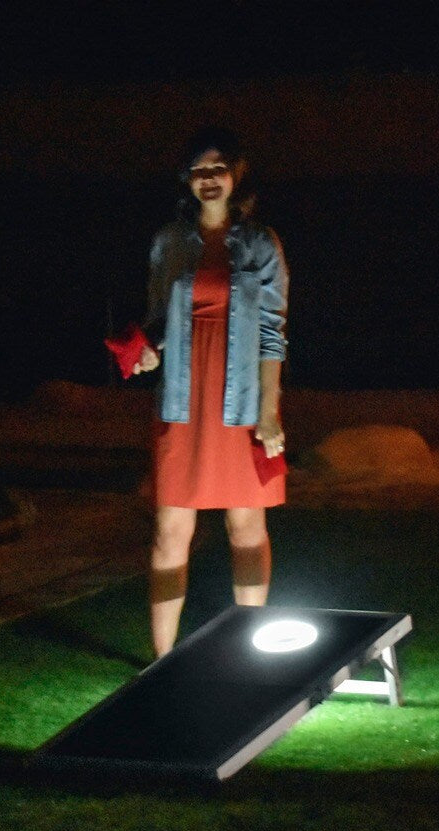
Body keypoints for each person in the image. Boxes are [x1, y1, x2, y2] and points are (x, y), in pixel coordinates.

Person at [132, 126, 288, 657]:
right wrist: (149, 349)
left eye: (218, 168)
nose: (209, 179)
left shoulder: (261, 243)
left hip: (241, 402)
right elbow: (158, 318)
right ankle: (161, 661)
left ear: (236, 174)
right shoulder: (169, 241)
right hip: (181, 400)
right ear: (187, 179)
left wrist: (269, 411)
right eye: (198, 170)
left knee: (246, 526)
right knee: (169, 530)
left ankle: (251, 648)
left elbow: (273, 333)